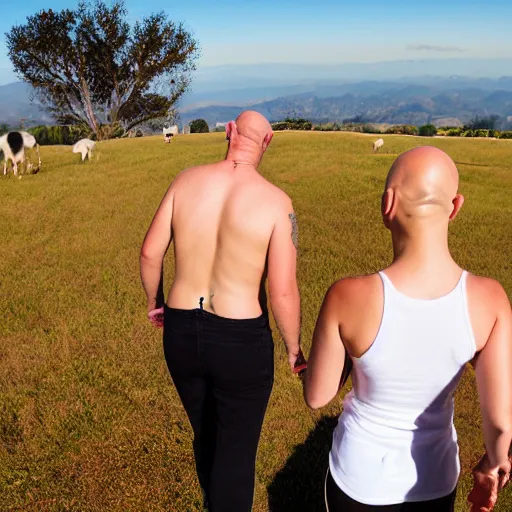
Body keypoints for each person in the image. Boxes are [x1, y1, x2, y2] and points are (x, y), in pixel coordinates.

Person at [303, 146, 512, 511]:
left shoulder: (346, 296)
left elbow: (317, 396)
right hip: (434, 479)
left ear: (388, 204)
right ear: (455, 207)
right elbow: (499, 422)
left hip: (358, 480)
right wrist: (493, 465)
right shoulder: (490, 300)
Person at [140, 111, 304, 511]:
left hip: (180, 329)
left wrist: (155, 303)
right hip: (240, 340)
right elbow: (282, 291)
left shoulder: (185, 180)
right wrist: (294, 349)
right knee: (235, 449)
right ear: (266, 144)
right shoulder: (278, 203)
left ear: (228, 132)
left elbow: (149, 252)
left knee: (206, 432)